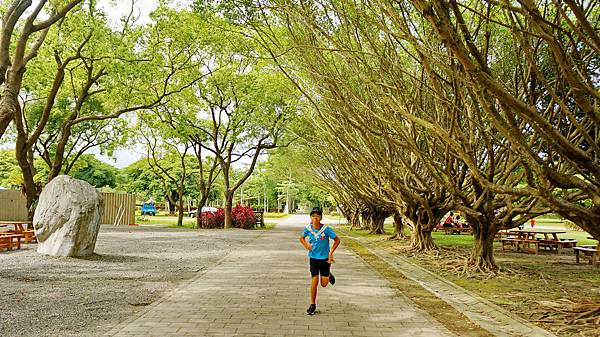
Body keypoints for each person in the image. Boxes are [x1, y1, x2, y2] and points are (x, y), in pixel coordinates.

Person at [299, 207, 341, 315]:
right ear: (310, 217)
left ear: (321, 218)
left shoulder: (326, 229)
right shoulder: (308, 229)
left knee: (324, 284)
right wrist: (307, 246)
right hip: (313, 258)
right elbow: (301, 238)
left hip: (325, 259)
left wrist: (331, 252)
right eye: (313, 216)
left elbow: (337, 240)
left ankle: (328, 275)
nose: (315, 218)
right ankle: (312, 304)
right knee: (314, 281)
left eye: (317, 216)